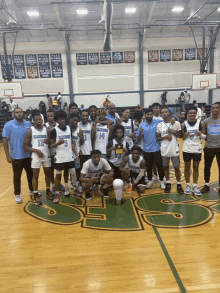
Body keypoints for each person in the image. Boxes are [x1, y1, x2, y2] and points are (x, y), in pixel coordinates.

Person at [2, 107, 33, 204]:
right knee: (16, 177)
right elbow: (5, 140)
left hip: (28, 155)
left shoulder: (28, 124)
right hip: (16, 156)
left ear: (23, 113)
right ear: (14, 114)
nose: (19, 114)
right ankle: (17, 195)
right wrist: (8, 155)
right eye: (17, 112)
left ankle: (32, 191)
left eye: (20, 112)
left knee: (30, 175)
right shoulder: (8, 125)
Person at [50, 110, 80, 204]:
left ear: (64, 119)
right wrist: (58, 143)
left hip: (69, 155)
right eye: (59, 119)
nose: (61, 121)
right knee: (58, 175)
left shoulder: (68, 128)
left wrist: (76, 154)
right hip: (59, 156)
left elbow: (71, 142)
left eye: (62, 119)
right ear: (57, 120)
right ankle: (57, 194)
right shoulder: (54, 130)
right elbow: (51, 145)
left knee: (73, 172)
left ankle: (74, 188)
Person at [23, 113, 54, 205]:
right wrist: (36, 150)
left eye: (40, 119)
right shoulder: (30, 130)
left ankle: (48, 191)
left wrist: (49, 141)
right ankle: (35, 194)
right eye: (36, 120)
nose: (38, 121)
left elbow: (50, 142)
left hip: (46, 155)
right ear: (33, 120)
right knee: (35, 176)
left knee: (48, 174)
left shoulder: (47, 129)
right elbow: (25, 146)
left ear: (42, 120)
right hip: (36, 156)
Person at [156, 108, 184, 194]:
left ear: (169, 113)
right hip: (164, 149)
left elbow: (180, 135)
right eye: (163, 112)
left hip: (174, 148)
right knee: (165, 167)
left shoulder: (176, 123)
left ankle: (179, 184)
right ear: (161, 114)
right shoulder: (159, 125)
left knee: (176, 167)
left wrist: (172, 132)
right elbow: (157, 138)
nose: (164, 113)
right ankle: (168, 183)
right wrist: (165, 137)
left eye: (166, 112)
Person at [137, 108, 165, 189]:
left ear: (152, 114)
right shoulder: (141, 125)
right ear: (145, 115)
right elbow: (138, 139)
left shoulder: (158, 122)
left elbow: (166, 122)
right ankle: (149, 180)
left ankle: (162, 181)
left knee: (160, 166)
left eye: (150, 114)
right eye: (147, 114)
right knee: (148, 166)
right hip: (146, 150)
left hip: (157, 149)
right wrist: (140, 133)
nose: (149, 116)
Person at [181, 106, 206, 196]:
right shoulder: (183, 124)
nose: (192, 114)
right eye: (190, 113)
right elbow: (182, 138)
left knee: (196, 168)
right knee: (187, 168)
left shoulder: (201, 123)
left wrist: (200, 134)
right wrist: (185, 135)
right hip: (187, 149)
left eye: (193, 113)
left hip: (197, 149)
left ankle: (195, 186)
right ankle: (188, 185)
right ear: (187, 114)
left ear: (196, 113)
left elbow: (204, 136)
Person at [201, 103, 220, 194]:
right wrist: (201, 128)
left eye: (216, 108)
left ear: (219, 109)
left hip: (219, 147)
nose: (214, 109)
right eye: (213, 108)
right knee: (207, 167)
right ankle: (207, 184)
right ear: (211, 109)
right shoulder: (206, 121)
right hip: (209, 147)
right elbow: (204, 135)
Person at [70, 113, 84, 192]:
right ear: (70, 120)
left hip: (77, 153)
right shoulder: (67, 129)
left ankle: (78, 183)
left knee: (77, 170)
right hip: (69, 153)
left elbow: (82, 142)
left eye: (76, 121)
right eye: (73, 120)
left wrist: (81, 138)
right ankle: (72, 182)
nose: (75, 122)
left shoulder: (80, 130)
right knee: (71, 171)